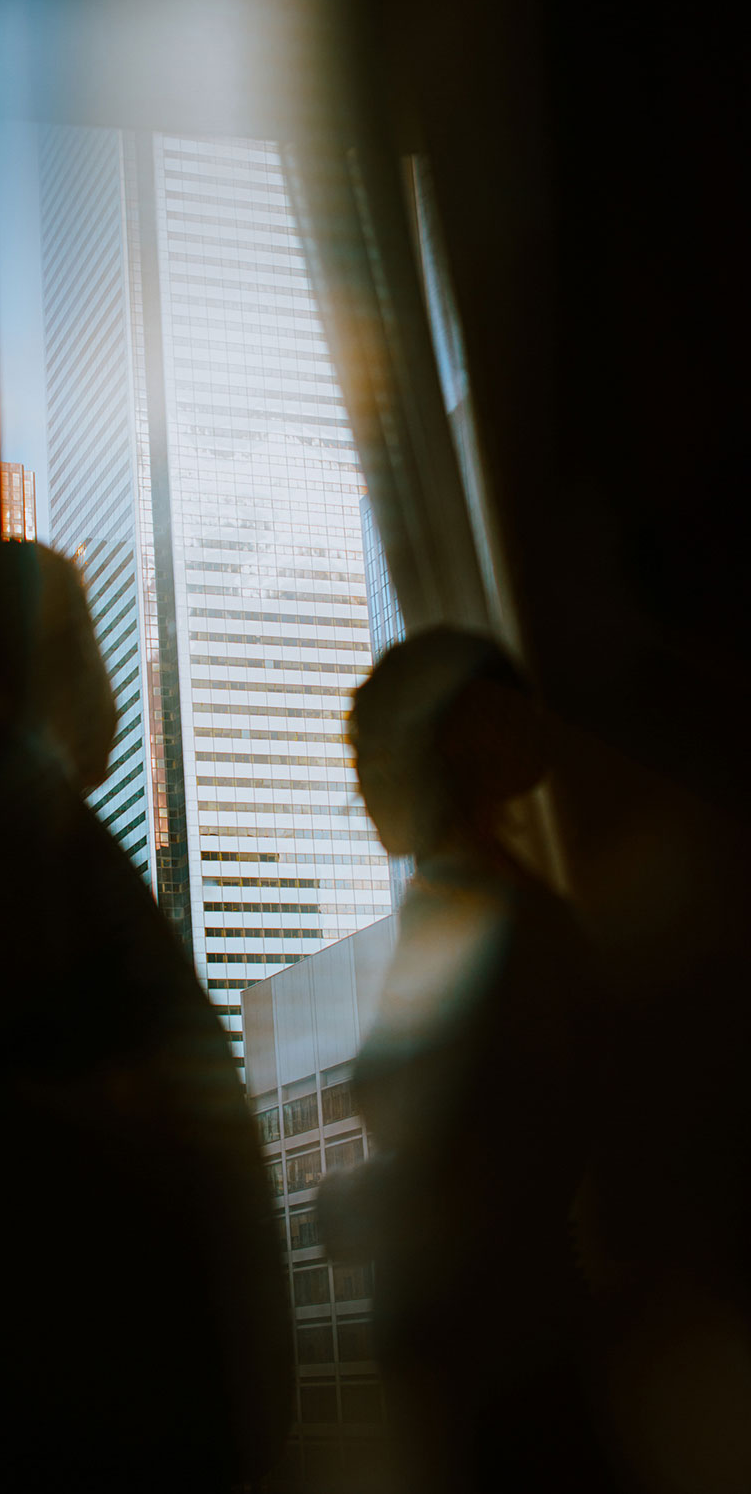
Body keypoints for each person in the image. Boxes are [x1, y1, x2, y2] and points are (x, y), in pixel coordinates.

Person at [0, 540, 291, 1493]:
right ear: (56, 646)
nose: (113, 686)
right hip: (74, 1431)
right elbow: (52, 1109)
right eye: (96, 644)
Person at [320, 627, 607, 1494]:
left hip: (500, 1372)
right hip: (493, 1365)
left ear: (436, 750)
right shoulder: (488, 906)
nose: (359, 780)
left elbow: (489, 1154)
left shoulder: (483, 915)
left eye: (369, 749)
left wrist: (360, 1206)